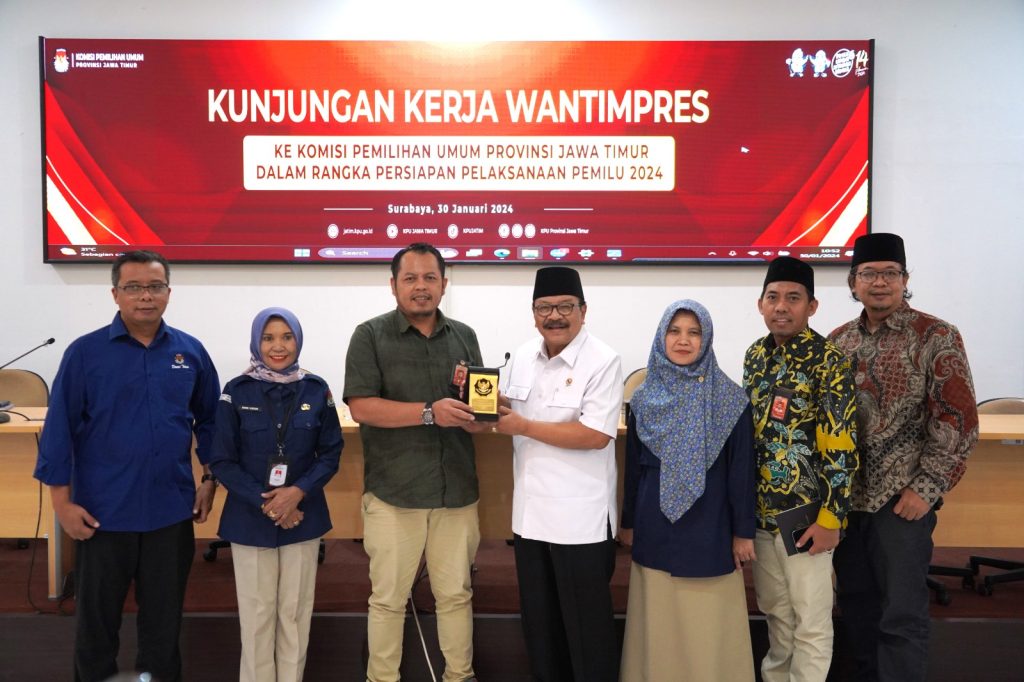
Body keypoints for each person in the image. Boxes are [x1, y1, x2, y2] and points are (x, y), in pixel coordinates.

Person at [33, 250, 220, 682]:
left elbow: (211, 421)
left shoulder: (190, 352)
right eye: (133, 287)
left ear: (168, 293)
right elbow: (59, 429)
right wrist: (61, 505)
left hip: (170, 512)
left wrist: (210, 478)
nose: (145, 296)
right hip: (102, 514)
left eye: (155, 287)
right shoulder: (85, 353)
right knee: (97, 627)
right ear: (115, 294)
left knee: (163, 627)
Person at [829, 233, 978, 682]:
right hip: (847, 504)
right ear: (853, 282)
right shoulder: (838, 342)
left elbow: (958, 419)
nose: (880, 282)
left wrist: (925, 489)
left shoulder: (936, 336)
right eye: (869, 274)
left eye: (890, 273)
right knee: (856, 607)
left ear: (905, 280)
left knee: (901, 615)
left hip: (902, 502)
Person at [343, 242, 486, 682]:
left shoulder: (464, 336)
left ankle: (460, 676)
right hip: (395, 493)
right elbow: (361, 407)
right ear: (393, 285)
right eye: (410, 278)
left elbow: (477, 412)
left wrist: (484, 417)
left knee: (456, 596)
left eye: (429, 278)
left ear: (444, 284)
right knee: (388, 600)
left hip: (456, 492)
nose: (420, 287)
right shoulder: (369, 335)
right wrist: (429, 412)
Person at [496, 266, 623, 682]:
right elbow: (511, 414)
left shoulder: (603, 360)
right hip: (530, 518)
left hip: (580, 522)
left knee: (587, 635)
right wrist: (484, 409)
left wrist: (523, 426)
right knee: (541, 630)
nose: (554, 316)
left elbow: (595, 435)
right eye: (544, 308)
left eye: (565, 306)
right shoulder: (521, 357)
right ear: (533, 313)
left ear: (583, 310)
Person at [619, 299, 756, 682]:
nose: (683, 340)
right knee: (659, 619)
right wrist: (628, 523)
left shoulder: (730, 400)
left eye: (694, 332)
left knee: (706, 625)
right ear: (661, 337)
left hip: (711, 526)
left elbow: (742, 472)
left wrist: (743, 532)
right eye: (674, 331)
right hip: (654, 525)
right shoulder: (643, 399)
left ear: (706, 339)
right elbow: (633, 469)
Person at [209, 307, 343, 682]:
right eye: (268, 338)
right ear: (256, 342)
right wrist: (269, 502)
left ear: (298, 341)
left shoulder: (316, 389)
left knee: (295, 614)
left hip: (303, 516)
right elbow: (221, 459)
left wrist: (296, 493)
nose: (278, 346)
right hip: (250, 518)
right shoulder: (236, 391)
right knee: (257, 616)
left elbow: (331, 453)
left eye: (287, 337)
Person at [743, 257, 859, 682]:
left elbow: (841, 446)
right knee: (776, 612)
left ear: (812, 306)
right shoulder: (755, 356)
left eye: (793, 298)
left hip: (805, 515)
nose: (781, 306)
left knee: (811, 619)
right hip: (762, 514)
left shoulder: (829, 361)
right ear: (760, 304)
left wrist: (831, 519)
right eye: (773, 297)